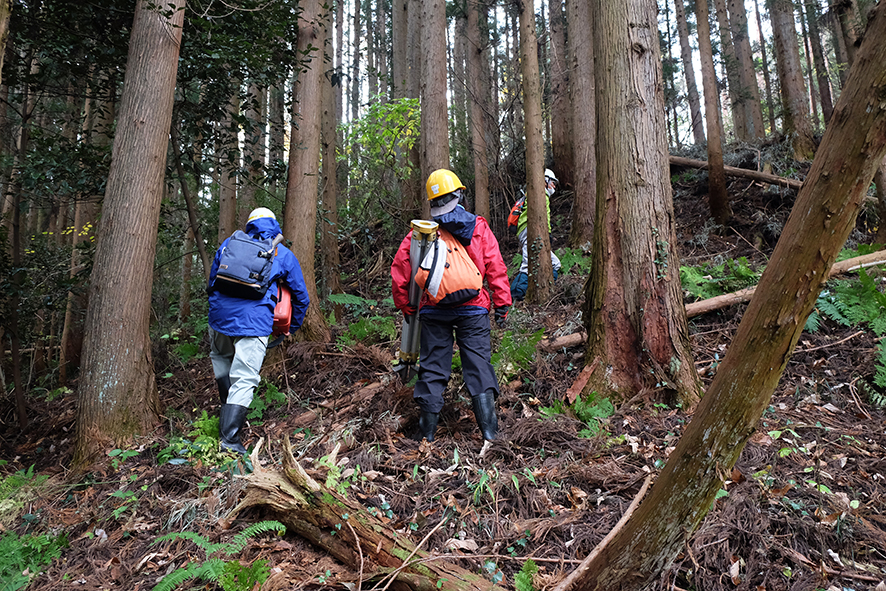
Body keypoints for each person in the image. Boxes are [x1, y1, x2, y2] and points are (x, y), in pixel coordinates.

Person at [391, 170, 512, 443]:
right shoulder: (478, 226)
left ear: (432, 202)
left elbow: (401, 271)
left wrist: (406, 306)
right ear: (459, 195)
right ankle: (490, 433)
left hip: (433, 310)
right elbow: (495, 266)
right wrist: (502, 304)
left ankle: (427, 435)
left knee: (433, 367)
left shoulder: (420, 234)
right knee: (478, 365)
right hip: (475, 309)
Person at [207, 207, 309, 453]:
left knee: (221, 360)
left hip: (219, 317)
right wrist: (290, 328)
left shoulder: (228, 245)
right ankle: (229, 440)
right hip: (254, 322)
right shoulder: (281, 253)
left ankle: (227, 409)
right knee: (245, 376)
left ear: (249, 224)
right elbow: (301, 297)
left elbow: (212, 283)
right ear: (274, 225)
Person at [510, 168, 562, 301]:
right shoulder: (540, 195)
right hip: (529, 230)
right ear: (545, 181)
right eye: (552, 182)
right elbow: (544, 217)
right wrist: (548, 233)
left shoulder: (534, 194)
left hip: (526, 230)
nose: (554, 186)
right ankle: (516, 293)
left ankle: (546, 287)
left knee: (554, 263)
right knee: (528, 263)